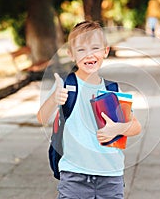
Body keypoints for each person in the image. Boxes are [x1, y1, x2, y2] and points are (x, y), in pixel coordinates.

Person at [37, 21, 141, 199]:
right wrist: (55, 99)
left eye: (95, 48)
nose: (89, 55)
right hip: (73, 175)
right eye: (81, 50)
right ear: (71, 54)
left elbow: (136, 126)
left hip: (110, 175)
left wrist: (118, 128)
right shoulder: (65, 86)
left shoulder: (113, 90)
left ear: (105, 51)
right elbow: (41, 118)